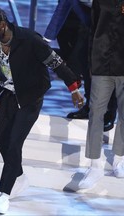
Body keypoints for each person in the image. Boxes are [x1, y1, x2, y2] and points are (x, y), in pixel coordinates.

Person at [0, 6, 84, 214]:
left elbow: (56, 63)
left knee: (15, 142)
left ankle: (4, 195)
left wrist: (74, 89)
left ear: (2, 25)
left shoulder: (29, 39)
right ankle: (20, 177)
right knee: (2, 139)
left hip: (30, 97)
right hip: (7, 95)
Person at [44, 0, 117, 132]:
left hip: (112, 23)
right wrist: (47, 38)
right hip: (90, 23)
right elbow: (63, 6)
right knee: (85, 62)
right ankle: (90, 106)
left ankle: (109, 114)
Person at [77, 0, 124, 189]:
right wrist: (91, 62)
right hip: (101, 63)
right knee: (95, 113)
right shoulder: (98, 2)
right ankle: (94, 166)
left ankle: (119, 160)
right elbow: (93, 30)